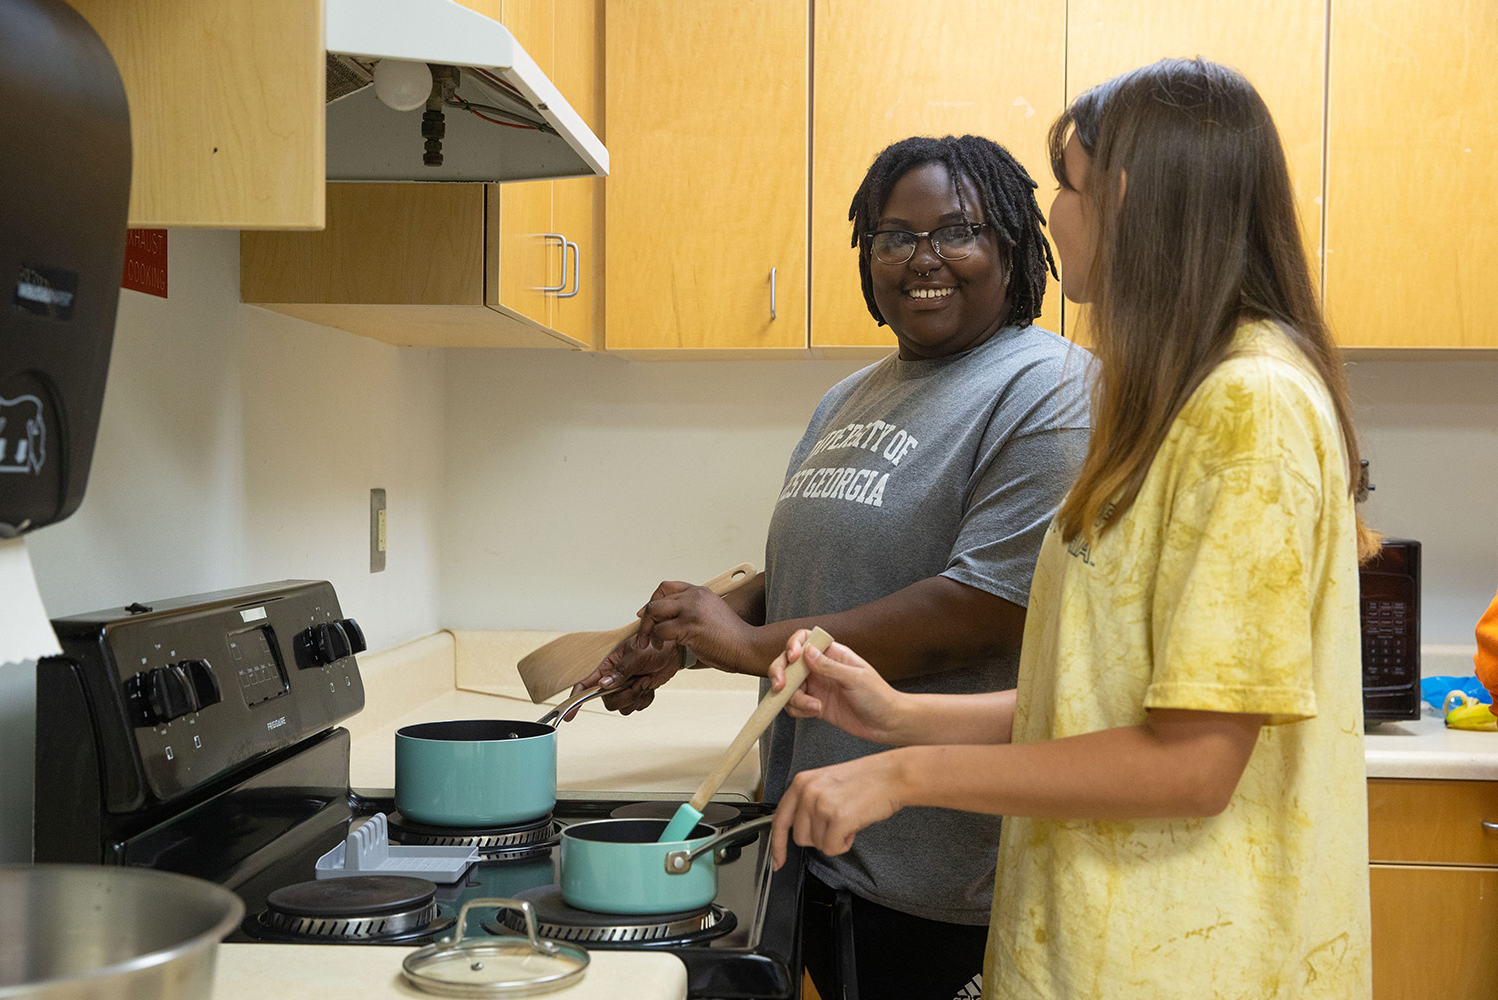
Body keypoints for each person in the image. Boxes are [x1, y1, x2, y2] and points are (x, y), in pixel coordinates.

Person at [764, 58, 1379, 999]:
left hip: (1185, 958)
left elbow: (1193, 766)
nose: (1054, 210)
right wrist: (901, 716)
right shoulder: (1173, 402)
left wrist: (902, 775)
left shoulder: (1250, 405)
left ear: (1124, 196)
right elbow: (1114, 699)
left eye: (1067, 184)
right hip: (1098, 944)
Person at [571, 134, 1092, 1000]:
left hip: (946, 876)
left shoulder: (1048, 388)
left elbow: (984, 609)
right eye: (895, 236)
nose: (923, 259)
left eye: (956, 231)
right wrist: (694, 628)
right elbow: (820, 566)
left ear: (1010, 246)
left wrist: (744, 646)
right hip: (823, 846)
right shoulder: (850, 396)